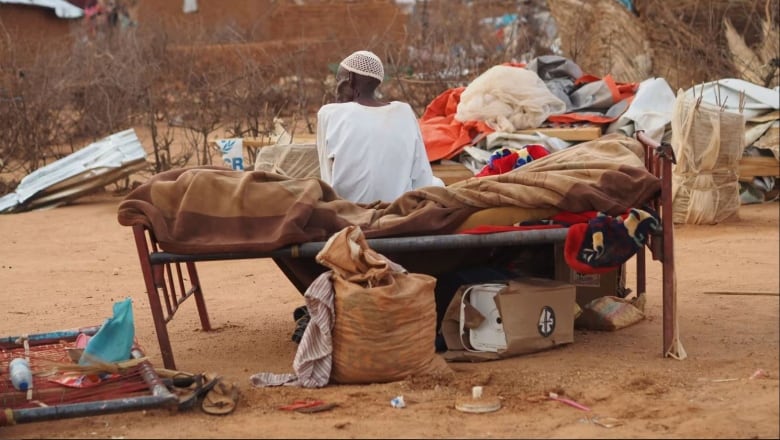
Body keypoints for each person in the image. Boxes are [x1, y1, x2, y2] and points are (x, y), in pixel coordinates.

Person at [316, 50, 443, 204]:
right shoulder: (404, 111)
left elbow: (327, 178)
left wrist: (341, 102)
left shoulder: (328, 113)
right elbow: (422, 179)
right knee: (437, 183)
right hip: (396, 210)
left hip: (351, 212)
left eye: (339, 79)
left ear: (349, 79)